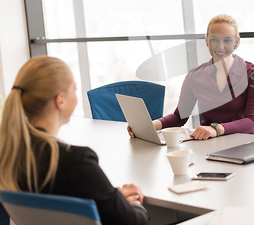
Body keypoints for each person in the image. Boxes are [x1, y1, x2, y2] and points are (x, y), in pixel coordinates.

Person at [0, 56, 149, 225]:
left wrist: (112, 200)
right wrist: (133, 205)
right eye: (74, 89)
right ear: (60, 100)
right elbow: (133, 222)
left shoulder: (10, 156)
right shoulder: (76, 162)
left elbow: (57, 206)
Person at [128, 14, 254, 140]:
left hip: (246, 144)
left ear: (236, 42)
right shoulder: (195, 76)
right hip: (210, 144)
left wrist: (215, 129)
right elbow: (178, 117)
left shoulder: (253, 73)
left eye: (227, 40)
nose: (220, 46)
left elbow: (252, 121)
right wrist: (149, 126)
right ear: (207, 41)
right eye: (214, 39)